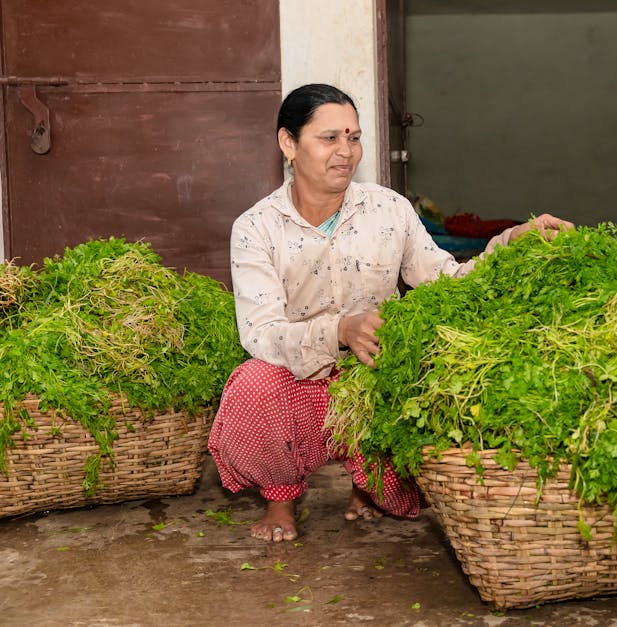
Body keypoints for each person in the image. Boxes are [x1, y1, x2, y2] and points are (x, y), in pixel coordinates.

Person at [208, 83, 573, 542]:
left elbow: (446, 280)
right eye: (329, 139)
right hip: (301, 379)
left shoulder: (388, 210)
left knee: (431, 428)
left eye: (354, 138)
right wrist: (340, 330)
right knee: (252, 387)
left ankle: (367, 486)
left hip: (377, 375)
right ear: (288, 143)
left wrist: (508, 245)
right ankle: (280, 500)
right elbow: (262, 333)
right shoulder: (256, 227)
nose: (346, 152)